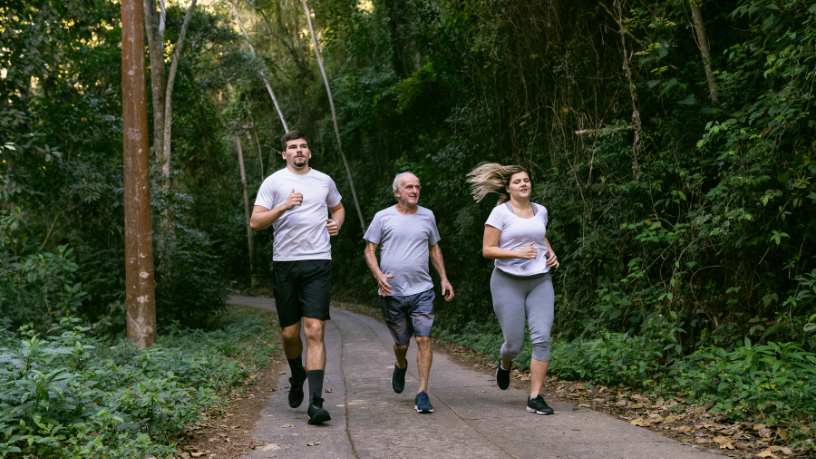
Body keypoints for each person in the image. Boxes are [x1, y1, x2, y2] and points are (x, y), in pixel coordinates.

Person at [250, 130, 345, 425]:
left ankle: (316, 403)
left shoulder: (324, 180)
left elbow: (338, 207)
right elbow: (255, 222)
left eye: (303, 146)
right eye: (293, 147)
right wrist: (283, 206)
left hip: (318, 262)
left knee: (314, 330)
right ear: (284, 154)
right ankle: (296, 374)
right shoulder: (274, 182)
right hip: (285, 265)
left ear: (310, 153)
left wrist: (336, 223)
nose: (299, 150)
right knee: (290, 335)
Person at [466, 163, 560, 415]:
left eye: (527, 180)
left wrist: (549, 252)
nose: (524, 184)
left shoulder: (541, 211)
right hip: (507, 281)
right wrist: (517, 253)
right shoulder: (500, 213)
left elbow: (540, 236)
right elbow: (488, 250)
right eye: (518, 181)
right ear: (508, 188)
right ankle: (504, 362)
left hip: (540, 280)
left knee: (542, 337)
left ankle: (535, 397)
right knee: (515, 344)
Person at [363, 172, 454, 414]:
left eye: (417, 187)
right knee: (401, 344)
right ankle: (400, 364)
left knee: (424, 339)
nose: (414, 191)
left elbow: (434, 248)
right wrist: (378, 275)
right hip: (392, 292)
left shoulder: (427, 216)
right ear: (397, 192)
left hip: (422, 291)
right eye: (409, 187)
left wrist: (444, 278)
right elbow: (369, 250)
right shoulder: (383, 217)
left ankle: (422, 392)